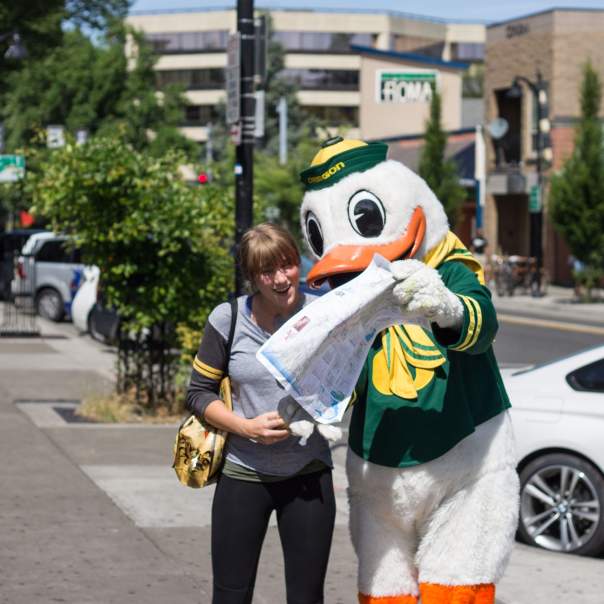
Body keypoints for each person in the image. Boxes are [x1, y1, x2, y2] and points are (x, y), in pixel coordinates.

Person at [186, 223, 335, 604]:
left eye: (287, 264)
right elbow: (198, 393)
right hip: (243, 473)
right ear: (253, 277)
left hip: (308, 475)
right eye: (268, 271)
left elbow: (350, 373)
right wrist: (245, 426)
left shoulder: (323, 314)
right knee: (231, 595)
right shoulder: (228, 319)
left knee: (306, 597)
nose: (281, 278)